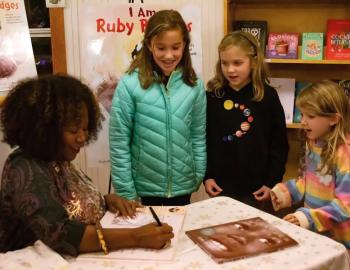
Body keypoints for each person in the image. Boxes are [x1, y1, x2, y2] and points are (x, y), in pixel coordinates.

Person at [0, 74, 174, 256]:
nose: (82, 138)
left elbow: (71, 202)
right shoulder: (24, 168)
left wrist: (106, 201)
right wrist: (135, 237)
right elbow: (62, 234)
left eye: (85, 129)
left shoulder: (56, 159)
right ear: (44, 129)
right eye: (73, 130)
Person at [109, 10, 206, 206]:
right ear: (149, 45)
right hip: (144, 188)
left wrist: (198, 173)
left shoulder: (194, 85)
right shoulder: (129, 84)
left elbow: (197, 133)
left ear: (185, 45)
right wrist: (126, 191)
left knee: (178, 236)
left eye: (175, 47)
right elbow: (119, 140)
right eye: (161, 48)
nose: (169, 55)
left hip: (183, 186)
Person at [204, 31, 289, 208]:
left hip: (257, 189)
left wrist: (271, 181)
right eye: (224, 63)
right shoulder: (213, 96)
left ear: (254, 61)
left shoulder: (268, 96)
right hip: (221, 186)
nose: (230, 69)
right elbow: (205, 139)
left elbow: (279, 144)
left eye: (237, 63)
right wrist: (208, 176)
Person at [267, 80, 350, 248]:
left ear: (334, 118)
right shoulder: (313, 142)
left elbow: (346, 205)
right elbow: (306, 183)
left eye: (310, 116)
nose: (303, 121)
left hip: (340, 243)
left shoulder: (345, 154)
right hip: (316, 235)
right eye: (302, 114)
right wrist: (285, 192)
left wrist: (308, 218)